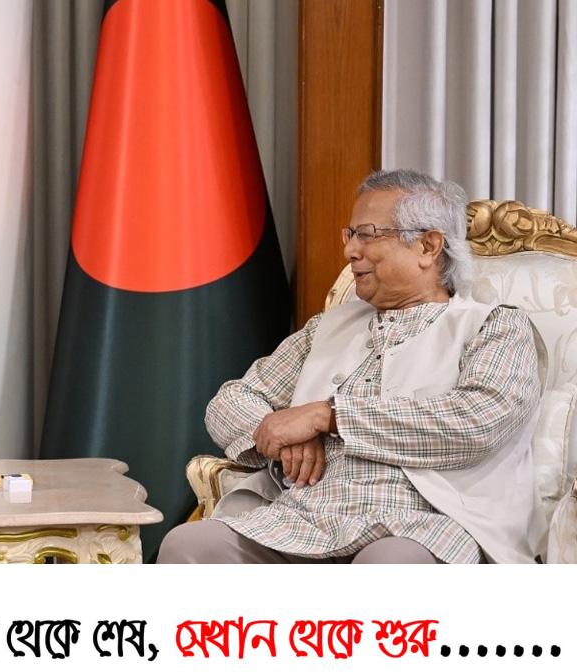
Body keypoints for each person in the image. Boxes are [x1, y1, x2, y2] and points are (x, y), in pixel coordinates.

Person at [158, 169, 543, 564]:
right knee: (188, 546)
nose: (350, 251)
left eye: (368, 235)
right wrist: (288, 433)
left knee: (389, 564)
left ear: (428, 246)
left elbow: (476, 422)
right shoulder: (326, 328)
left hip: (422, 524)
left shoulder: (495, 325)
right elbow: (230, 401)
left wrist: (328, 417)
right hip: (303, 519)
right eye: (351, 234)